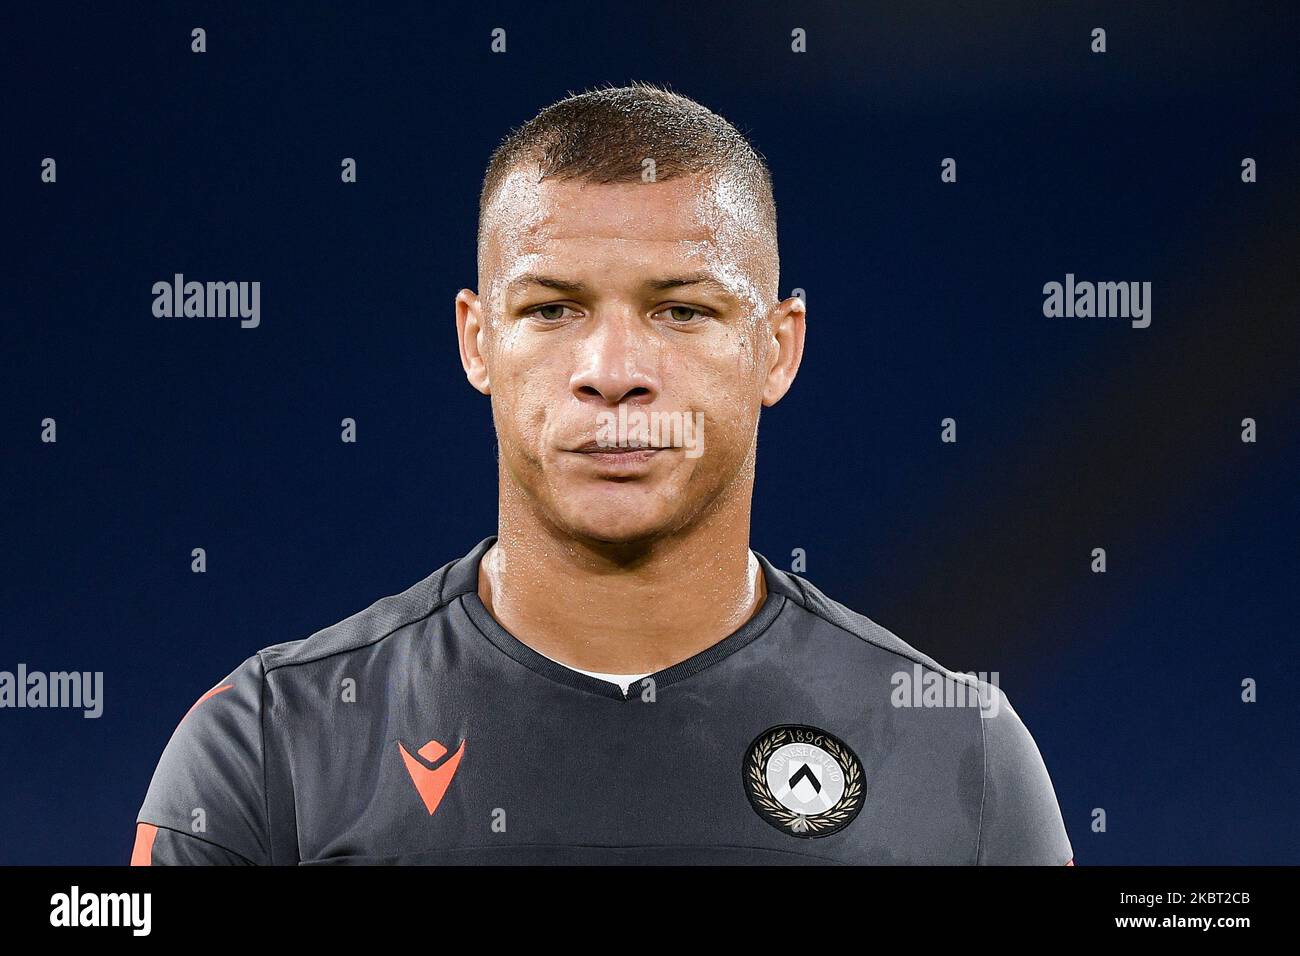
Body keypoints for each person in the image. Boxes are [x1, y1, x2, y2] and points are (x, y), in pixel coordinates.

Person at [131, 82, 1073, 865]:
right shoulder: (268, 746)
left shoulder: (961, 752)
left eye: (682, 311)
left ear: (778, 350)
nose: (614, 370)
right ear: (477, 341)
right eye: (551, 309)